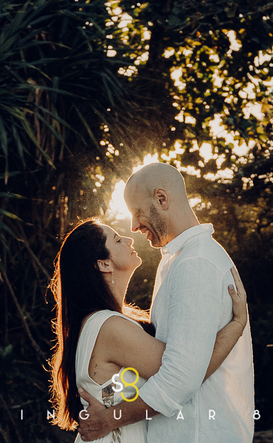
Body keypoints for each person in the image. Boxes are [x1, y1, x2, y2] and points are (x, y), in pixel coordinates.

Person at [78, 163, 255, 442]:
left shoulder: (195, 262)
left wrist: (109, 419)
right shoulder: (175, 262)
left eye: (137, 213)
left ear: (161, 199)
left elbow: (179, 376)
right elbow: (137, 376)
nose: (134, 227)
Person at [49, 218, 248, 442]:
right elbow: (186, 374)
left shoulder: (103, 322)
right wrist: (237, 324)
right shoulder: (111, 327)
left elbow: (116, 392)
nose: (129, 239)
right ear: (104, 264)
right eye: (117, 239)